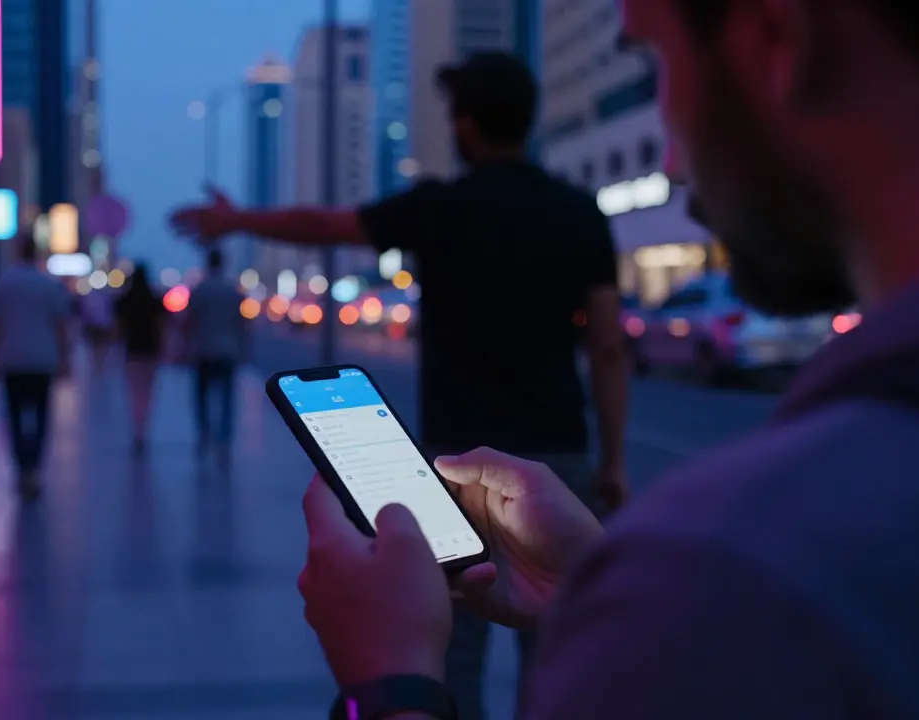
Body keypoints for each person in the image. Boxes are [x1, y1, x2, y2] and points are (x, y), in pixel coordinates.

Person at [289, 0, 919, 717]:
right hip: (561, 449)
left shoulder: (744, 570)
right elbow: (606, 342)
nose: (670, 158)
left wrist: (388, 686)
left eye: (657, 61)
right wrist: (589, 582)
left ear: (775, 36)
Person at [171, 51, 628, 718]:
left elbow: (327, 226)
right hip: (557, 453)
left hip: (457, 464)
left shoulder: (440, 209)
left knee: (453, 639)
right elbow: (609, 344)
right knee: (557, 637)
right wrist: (611, 459)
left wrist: (239, 221)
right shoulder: (579, 212)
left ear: (466, 124)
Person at [0, 238, 72, 500]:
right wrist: (65, 361)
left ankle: (22, 468)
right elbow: (61, 327)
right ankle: (34, 468)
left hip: (12, 359)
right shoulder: (49, 286)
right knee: (41, 415)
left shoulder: (4, 283)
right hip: (42, 360)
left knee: (15, 415)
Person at [185, 248, 248, 456]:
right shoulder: (232, 291)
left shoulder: (199, 289)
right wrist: (244, 348)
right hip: (228, 350)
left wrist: (186, 345)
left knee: (201, 396)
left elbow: (190, 322)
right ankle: (224, 438)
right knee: (227, 396)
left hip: (203, 349)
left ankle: (204, 433)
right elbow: (241, 324)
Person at [113, 264, 168, 453]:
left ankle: (138, 429)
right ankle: (143, 427)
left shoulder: (125, 299)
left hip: (132, 351)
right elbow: (161, 325)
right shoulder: (153, 299)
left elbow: (118, 327)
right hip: (150, 350)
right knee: (147, 392)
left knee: (133, 392)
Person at [81, 287, 115, 372]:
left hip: (99, 326)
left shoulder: (92, 297)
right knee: (98, 346)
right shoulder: (103, 297)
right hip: (98, 325)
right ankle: (98, 363)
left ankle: (98, 363)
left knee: (99, 346)